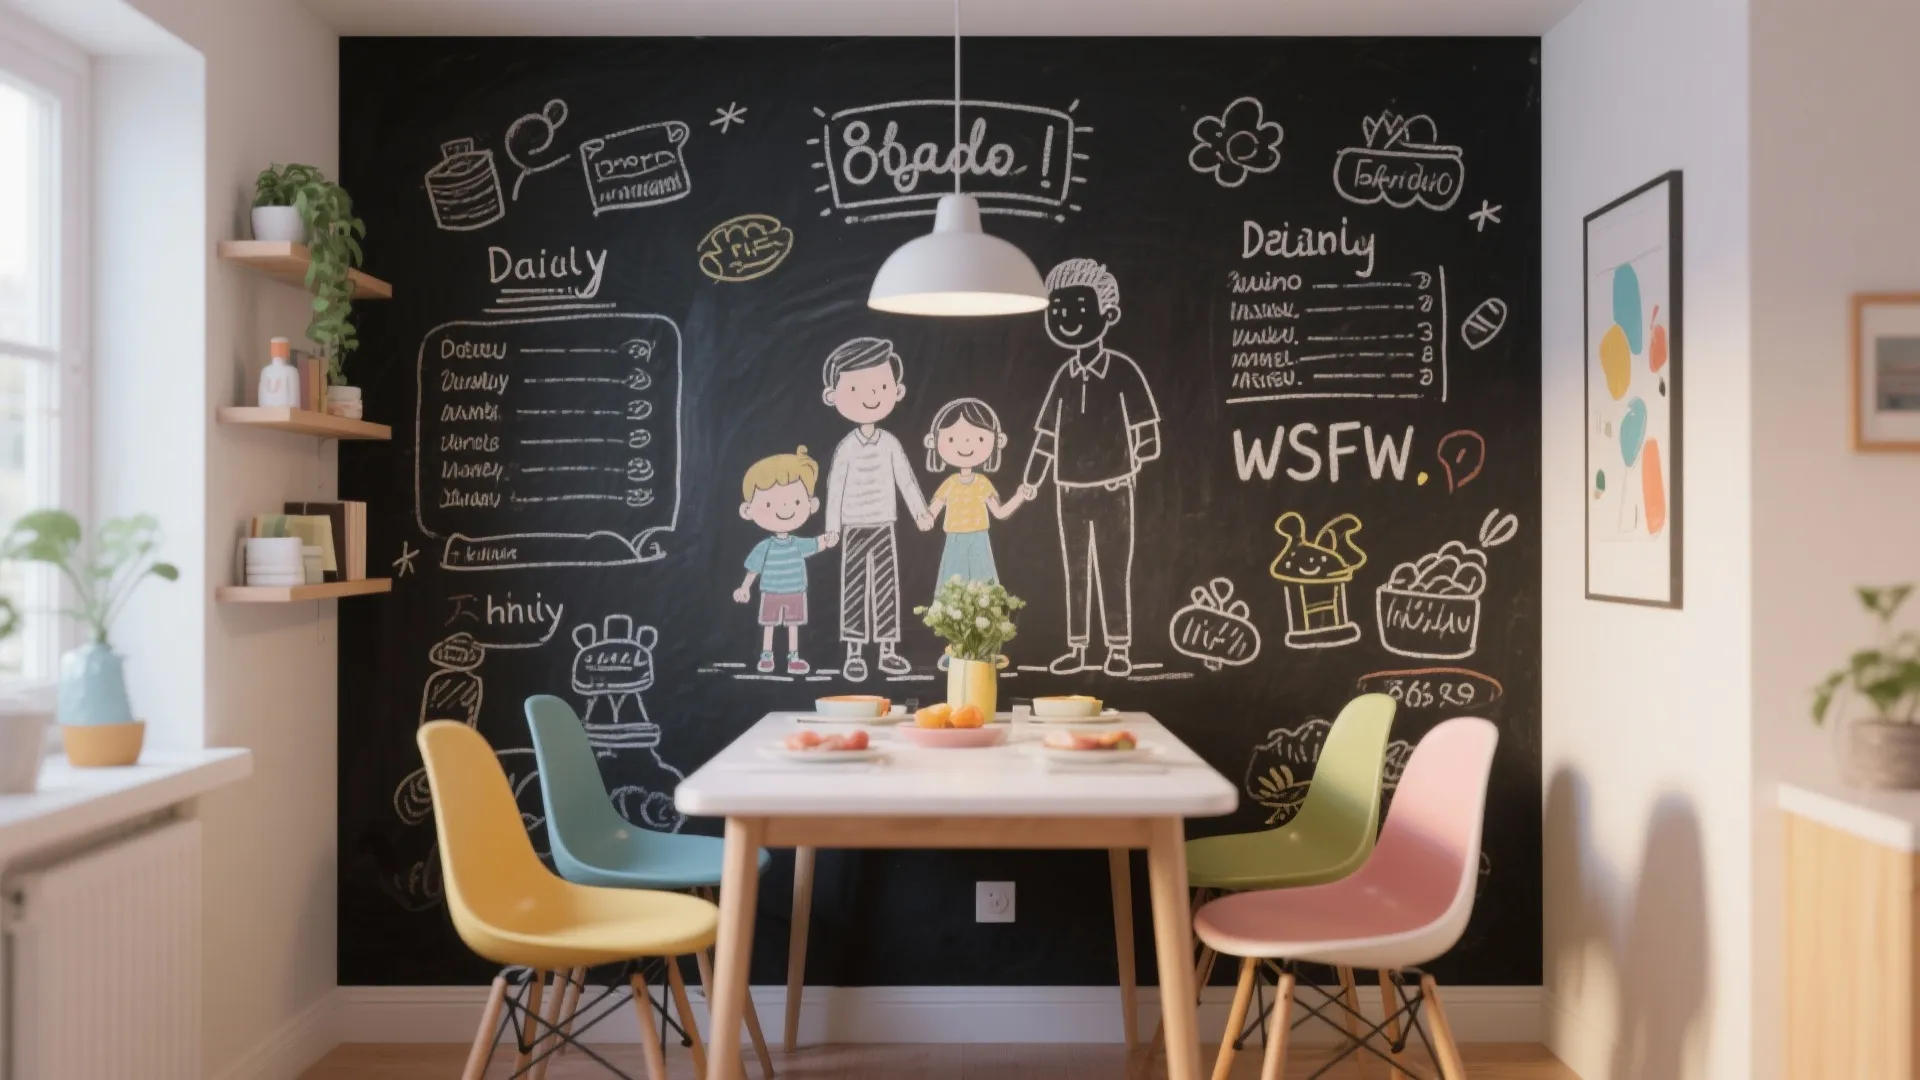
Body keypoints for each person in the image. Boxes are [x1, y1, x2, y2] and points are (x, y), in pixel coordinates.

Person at [1017, 259, 1162, 677]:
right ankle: (1078, 649)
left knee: (1114, 568)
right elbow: (1046, 436)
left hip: (1115, 489)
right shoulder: (1064, 374)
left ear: (1108, 315)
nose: (1066, 320)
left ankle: (1118, 648)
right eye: (1058, 312)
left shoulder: (1122, 370)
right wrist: (1031, 479)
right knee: (1075, 571)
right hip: (1069, 491)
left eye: (1078, 310)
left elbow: (1147, 430)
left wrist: (1134, 458)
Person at [818, 337, 931, 682]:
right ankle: (854, 653)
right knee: (854, 587)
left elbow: (907, 480)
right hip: (854, 526)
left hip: (884, 524)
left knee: (886, 588)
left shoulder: (891, 444)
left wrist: (920, 512)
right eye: (856, 388)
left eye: (880, 386)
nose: (871, 396)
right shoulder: (846, 448)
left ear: (896, 391)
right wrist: (832, 526)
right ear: (833, 396)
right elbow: (834, 487)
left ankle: (887, 650)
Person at [732, 446, 836, 674]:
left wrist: (827, 539)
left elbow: (815, 545)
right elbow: (753, 568)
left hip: (795, 590)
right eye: (769, 504)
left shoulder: (797, 543)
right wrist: (744, 588)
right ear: (748, 510)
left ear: (811, 504)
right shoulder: (765, 546)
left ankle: (793, 658)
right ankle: (766, 656)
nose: (785, 509)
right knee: (769, 624)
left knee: (793, 625)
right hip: (771, 590)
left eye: (796, 502)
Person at [921, 397, 1029, 593]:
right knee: (954, 593)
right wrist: (925, 518)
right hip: (954, 542)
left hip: (980, 541)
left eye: (979, 439)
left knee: (983, 592)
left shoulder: (982, 483)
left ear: (997, 441)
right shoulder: (950, 484)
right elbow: (932, 512)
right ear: (934, 441)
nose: (965, 445)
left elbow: (1000, 512)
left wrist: (1019, 496)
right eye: (952, 439)